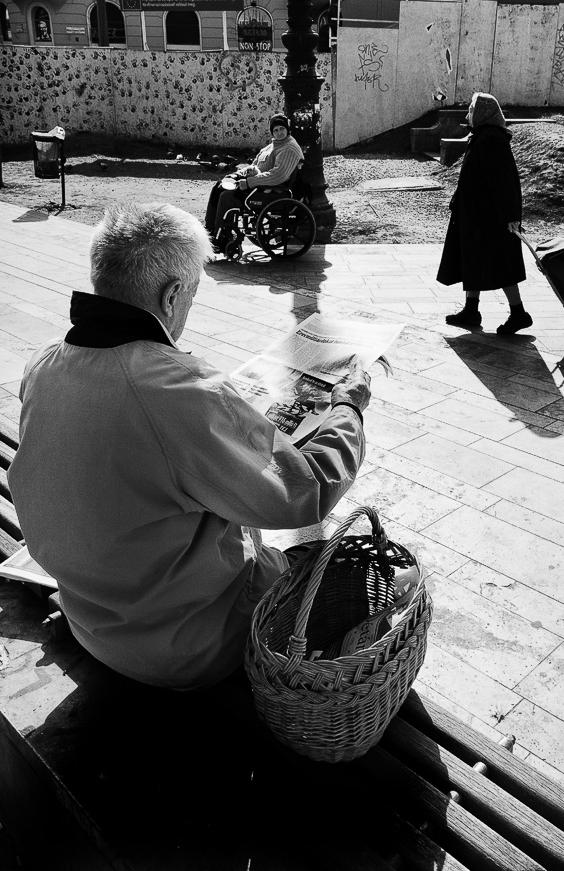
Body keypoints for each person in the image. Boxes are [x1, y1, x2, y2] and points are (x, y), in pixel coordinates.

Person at [8, 202, 370, 692]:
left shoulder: (45, 361)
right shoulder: (181, 391)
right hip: (189, 646)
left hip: (93, 619)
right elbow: (304, 494)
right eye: (195, 294)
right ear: (174, 293)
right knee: (346, 567)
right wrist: (348, 410)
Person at [436, 91, 532, 336]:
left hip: (490, 218)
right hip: (478, 215)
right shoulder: (483, 136)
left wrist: (510, 216)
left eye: (471, 108)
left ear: (483, 113)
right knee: (474, 260)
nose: (468, 113)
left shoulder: (490, 138)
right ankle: (471, 310)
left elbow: (503, 181)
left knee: (501, 263)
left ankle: (518, 313)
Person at [204, 113, 304, 246]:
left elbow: (278, 175)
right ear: (272, 132)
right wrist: (236, 175)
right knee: (218, 187)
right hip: (259, 187)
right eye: (275, 130)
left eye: (282, 129)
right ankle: (209, 232)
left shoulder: (289, 148)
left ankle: (221, 237)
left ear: (287, 129)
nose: (279, 133)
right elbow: (253, 166)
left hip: (271, 191)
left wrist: (249, 182)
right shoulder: (272, 146)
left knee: (226, 197)